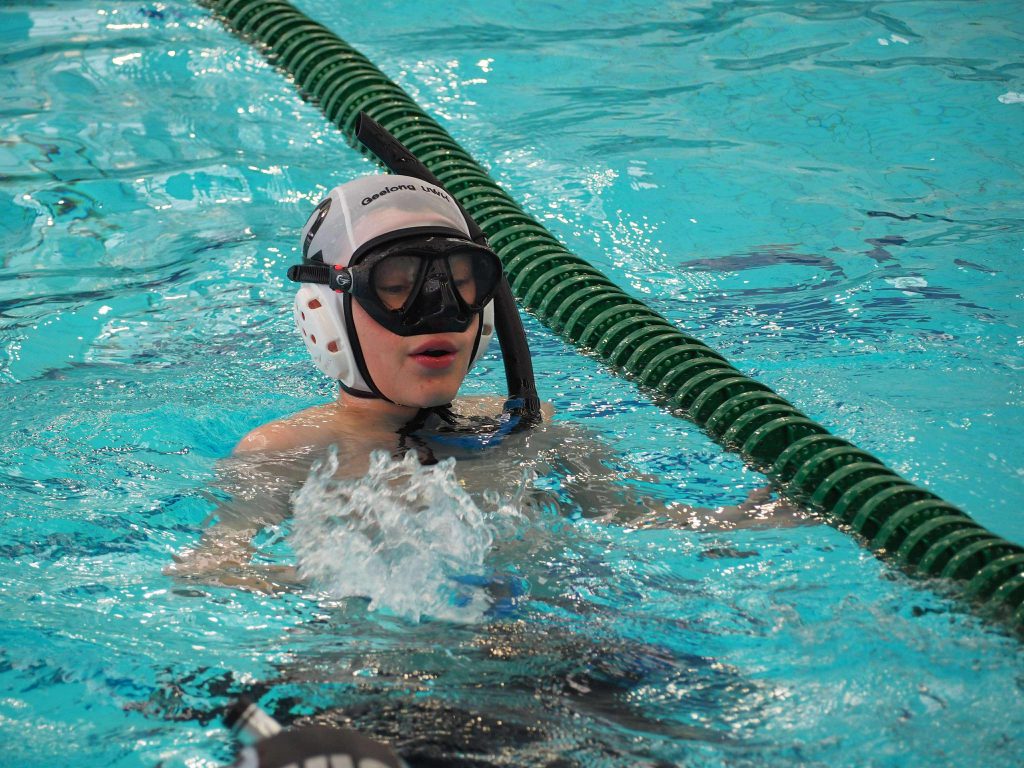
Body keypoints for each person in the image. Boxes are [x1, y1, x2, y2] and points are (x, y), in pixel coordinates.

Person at [167, 172, 805, 591]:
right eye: (396, 287)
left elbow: (637, 519)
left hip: (568, 649)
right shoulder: (284, 453)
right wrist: (355, 579)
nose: (438, 310)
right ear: (325, 314)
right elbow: (206, 573)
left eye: (462, 283)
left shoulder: (527, 426)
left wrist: (755, 518)